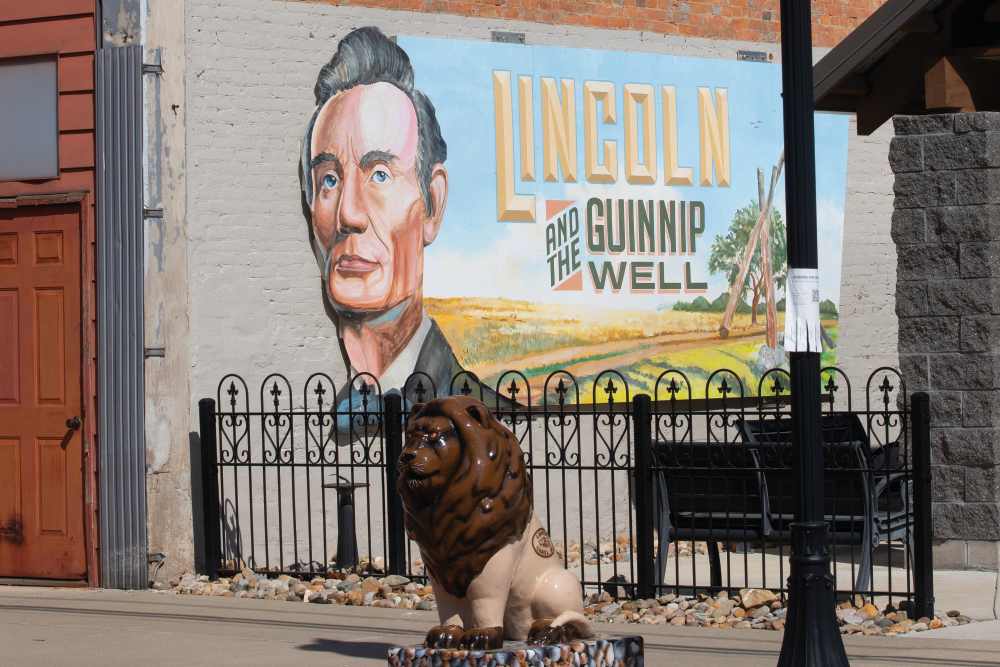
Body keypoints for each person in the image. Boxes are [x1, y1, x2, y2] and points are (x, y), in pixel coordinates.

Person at [301, 27, 499, 411]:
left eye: (379, 175)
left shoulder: (475, 407)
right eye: (329, 179)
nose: (348, 213)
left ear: (432, 203)